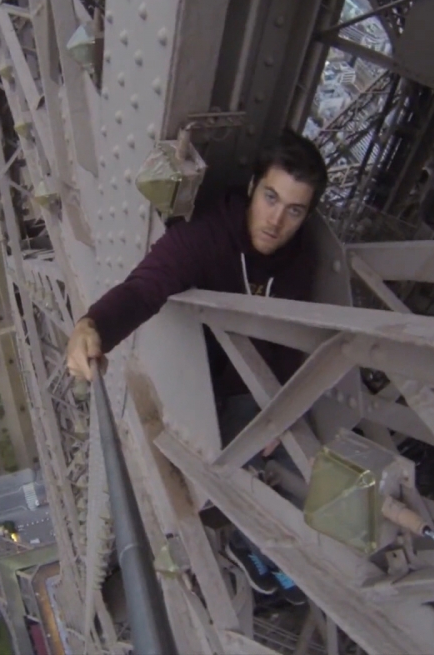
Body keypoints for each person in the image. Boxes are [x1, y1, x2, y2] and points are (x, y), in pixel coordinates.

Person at [65, 130, 328, 604]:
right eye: (270, 197)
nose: (276, 219)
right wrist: (92, 325)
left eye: (294, 210)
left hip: (259, 384)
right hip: (206, 385)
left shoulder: (301, 254)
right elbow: (144, 288)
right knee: (239, 466)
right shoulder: (207, 238)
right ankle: (253, 552)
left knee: (300, 460)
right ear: (252, 187)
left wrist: (281, 403)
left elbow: (294, 335)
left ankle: (283, 557)